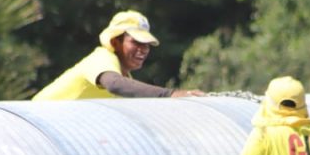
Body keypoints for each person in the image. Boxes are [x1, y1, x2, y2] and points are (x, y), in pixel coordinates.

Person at [33, 10, 203, 100]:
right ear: (115, 42)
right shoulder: (102, 58)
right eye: (136, 42)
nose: (143, 49)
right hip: (35, 127)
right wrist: (170, 94)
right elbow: (114, 84)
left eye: (146, 44)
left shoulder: (125, 77)